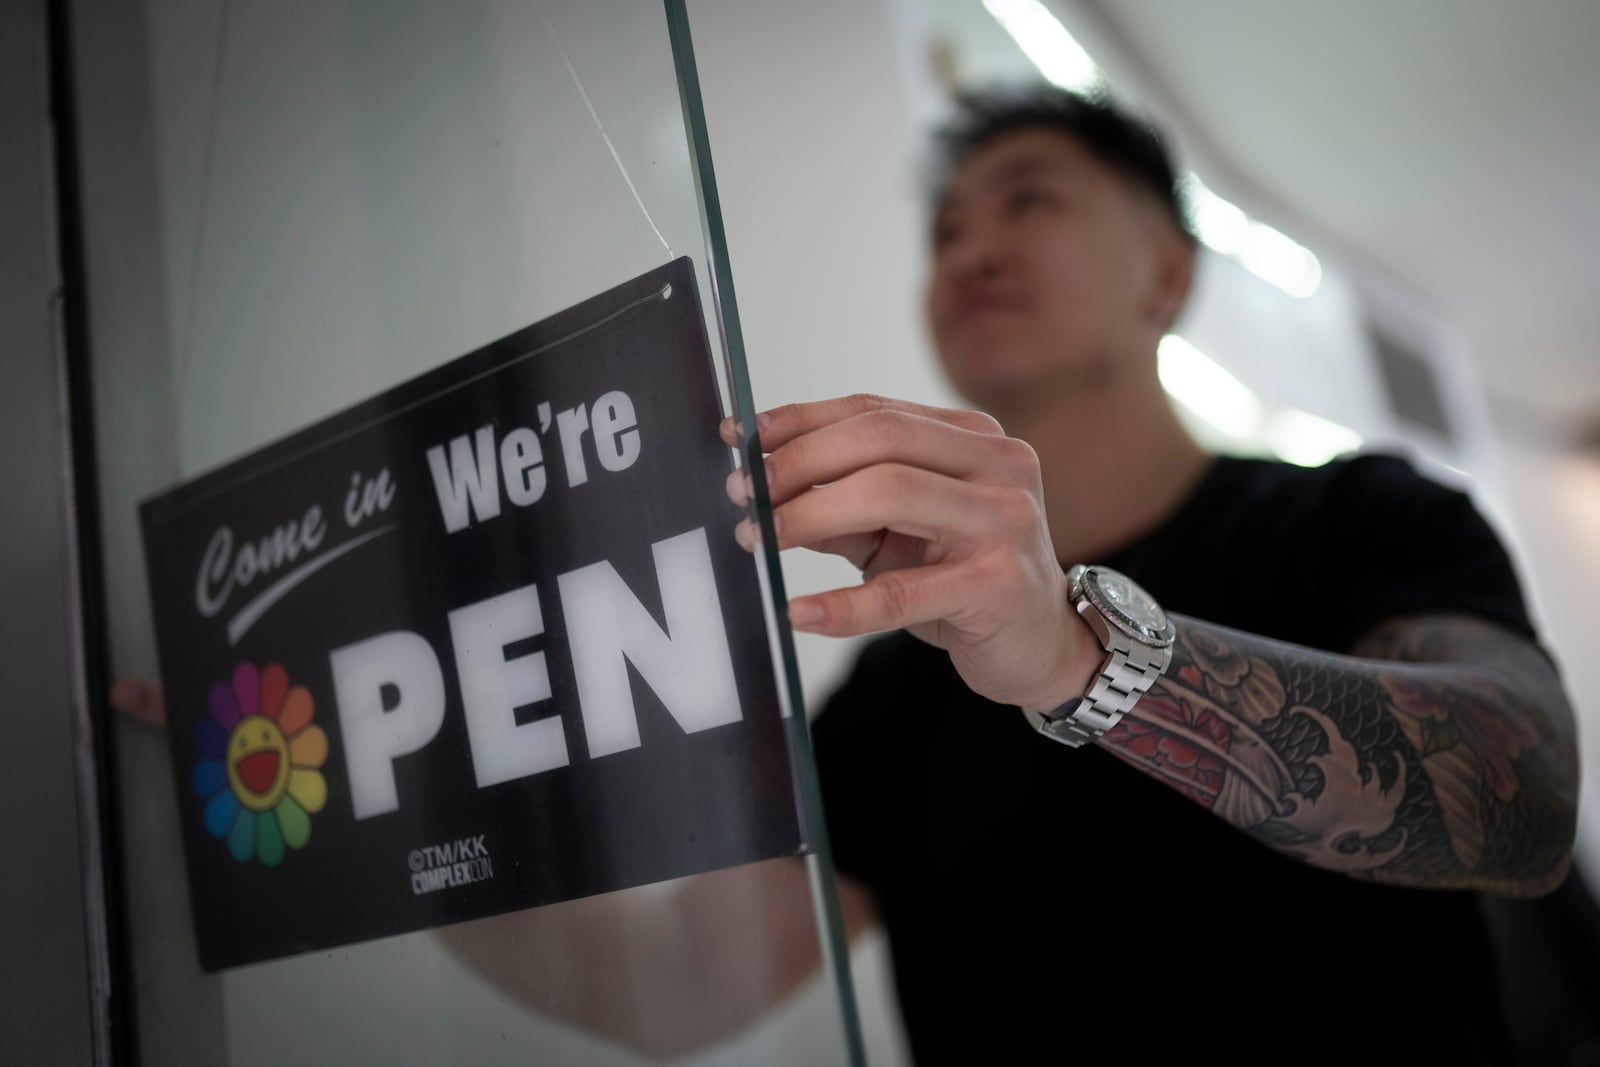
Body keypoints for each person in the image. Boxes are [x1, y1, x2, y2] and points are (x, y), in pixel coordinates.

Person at [115, 86, 1586, 1064]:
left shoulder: (1358, 519)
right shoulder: (896, 681)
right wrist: (371, 798)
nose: (970, 251)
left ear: (1170, 276)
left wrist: (1077, 655)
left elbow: (1518, 799)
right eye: (946, 231)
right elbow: (686, 986)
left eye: (1030, 202)